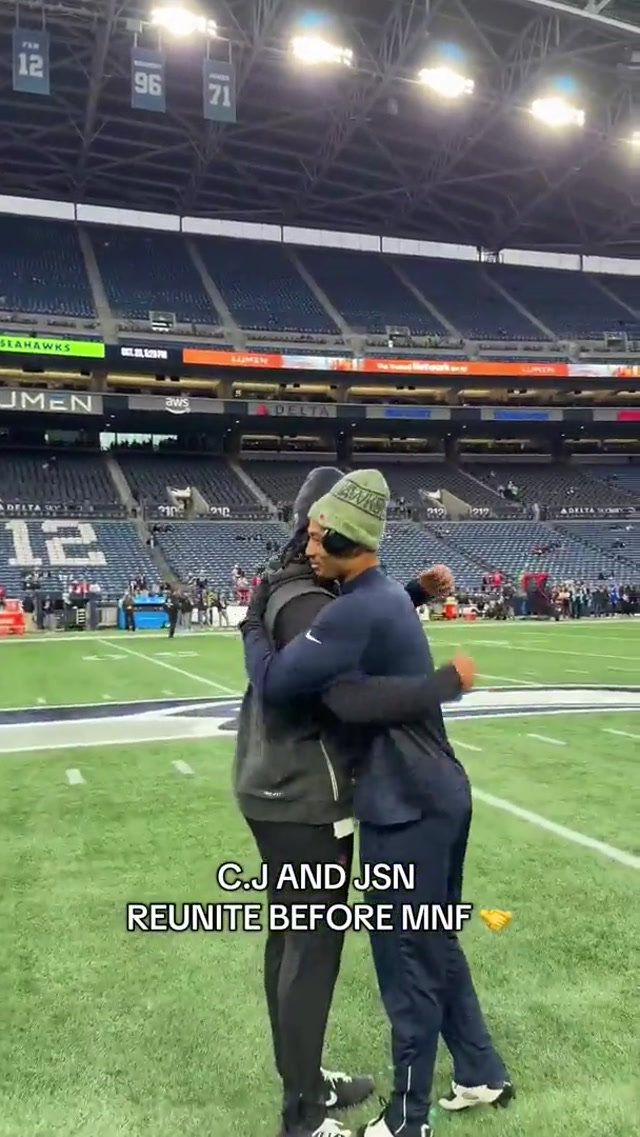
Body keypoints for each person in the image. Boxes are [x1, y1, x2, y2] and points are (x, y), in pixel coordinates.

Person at [241, 470, 513, 1137]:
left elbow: (305, 689)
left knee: (405, 962)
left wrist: (249, 620)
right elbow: (371, 642)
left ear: (341, 537)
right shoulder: (375, 593)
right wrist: (428, 624)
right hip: (435, 790)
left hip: (405, 801)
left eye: (314, 534)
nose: (304, 544)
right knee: (432, 942)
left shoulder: (349, 604)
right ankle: (479, 1068)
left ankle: (407, 1119)